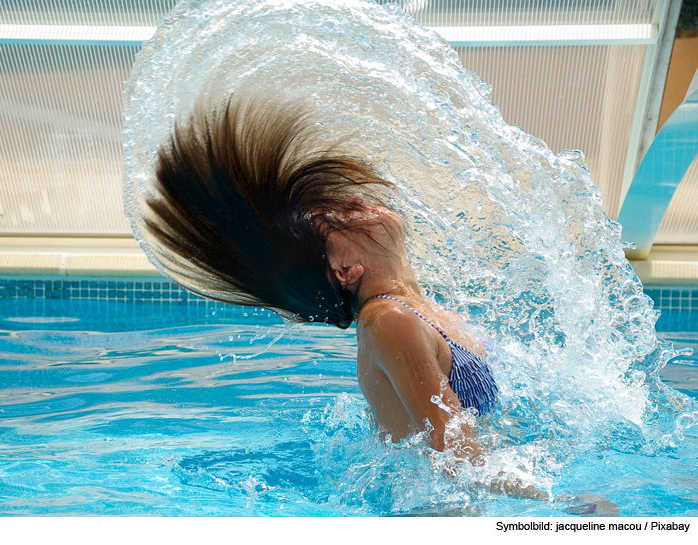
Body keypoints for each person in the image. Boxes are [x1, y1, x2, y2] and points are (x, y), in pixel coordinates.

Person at [141, 94, 616, 510]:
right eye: (339, 217)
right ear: (345, 270)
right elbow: (458, 458)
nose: (355, 201)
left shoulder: (422, 312)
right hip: (444, 518)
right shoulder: (390, 321)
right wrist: (568, 507)